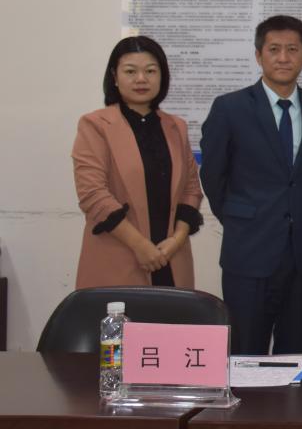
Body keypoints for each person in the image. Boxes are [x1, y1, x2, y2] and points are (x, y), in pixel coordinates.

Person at [200, 16, 302, 356]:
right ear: (259, 55)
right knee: (245, 352)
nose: (283, 58)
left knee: (295, 354)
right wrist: (241, 217)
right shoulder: (230, 108)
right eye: (274, 49)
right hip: (249, 252)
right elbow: (213, 176)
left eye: (292, 49)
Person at [72, 36, 203, 288]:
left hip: (171, 258)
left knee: (173, 314)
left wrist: (176, 240)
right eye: (130, 71)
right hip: (119, 257)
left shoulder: (176, 127)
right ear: (114, 76)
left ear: (162, 76)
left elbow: (191, 190)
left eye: (150, 71)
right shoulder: (95, 125)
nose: (141, 79)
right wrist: (141, 246)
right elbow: (93, 194)